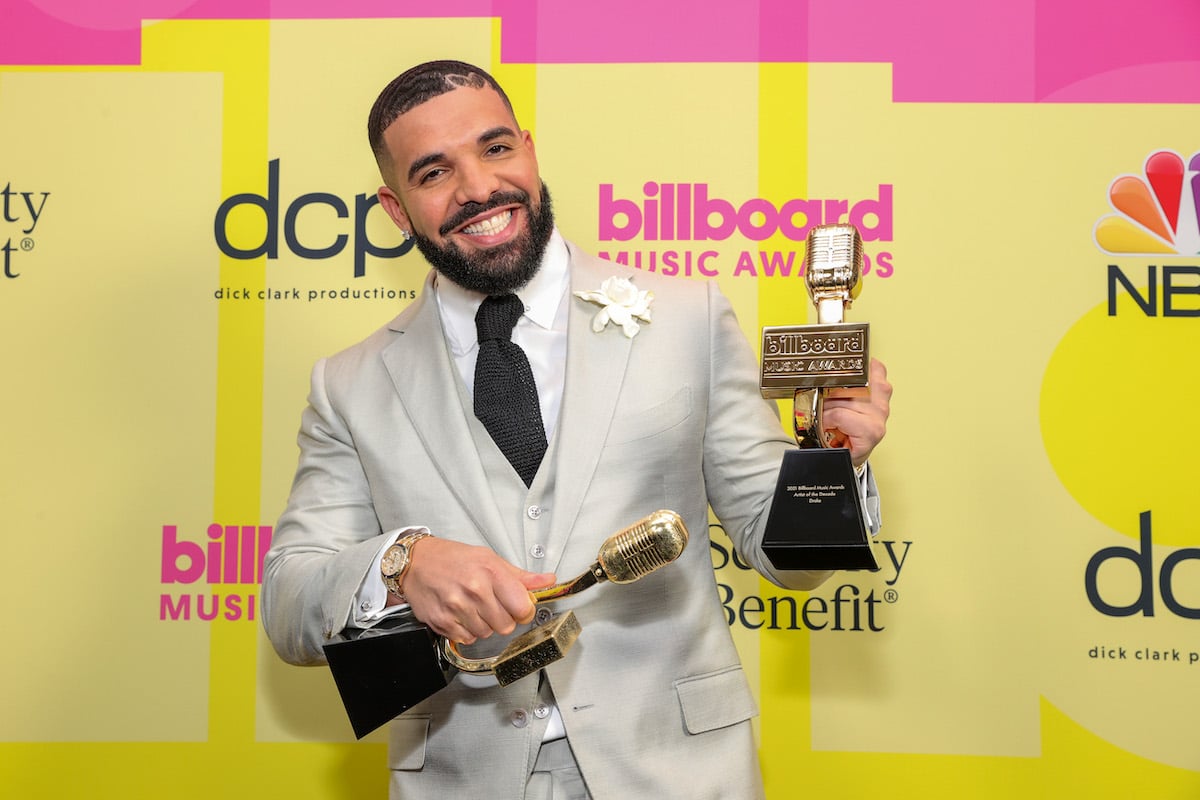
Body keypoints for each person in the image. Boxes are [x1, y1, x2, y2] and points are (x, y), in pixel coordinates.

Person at [261, 59, 892, 799]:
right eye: (434, 173)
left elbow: (788, 557)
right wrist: (403, 564)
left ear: (528, 149)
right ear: (397, 209)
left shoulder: (689, 319)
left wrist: (830, 461)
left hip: (679, 774)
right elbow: (290, 602)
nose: (478, 189)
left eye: (495, 149)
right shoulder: (350, 384)